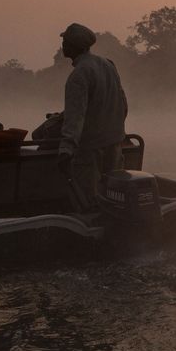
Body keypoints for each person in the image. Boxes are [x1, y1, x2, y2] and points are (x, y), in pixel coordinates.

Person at [56, 22, 129, 210]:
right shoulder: (108, 65)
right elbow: (123, 104)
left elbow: (75, 116)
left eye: (65, 41)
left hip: (90, 149)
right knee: (114, 197)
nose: (62, 45)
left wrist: (66, 149)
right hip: (114, 144)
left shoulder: (79, 75)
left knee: (88, 201)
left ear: (73, 46)